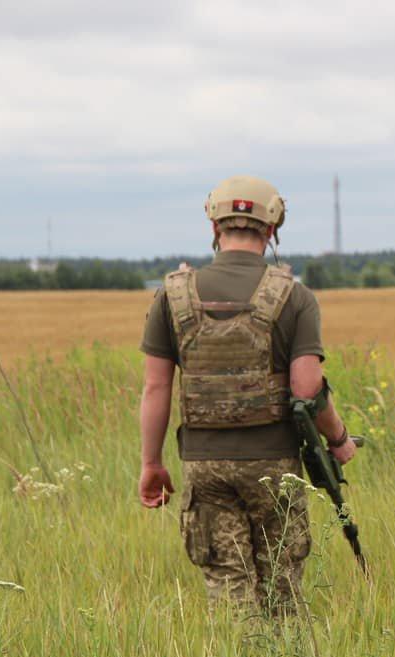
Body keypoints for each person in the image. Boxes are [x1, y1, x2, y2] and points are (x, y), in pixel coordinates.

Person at [137, 175, 356, 615]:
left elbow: (156, 386)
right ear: (272, 228)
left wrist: (151, 463)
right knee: (281, 585)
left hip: (203, 465)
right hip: (274, 464)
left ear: (215, 227)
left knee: (227, 584)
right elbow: (307, 387)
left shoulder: (172, 296)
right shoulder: (295, 296)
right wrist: (338, 439)